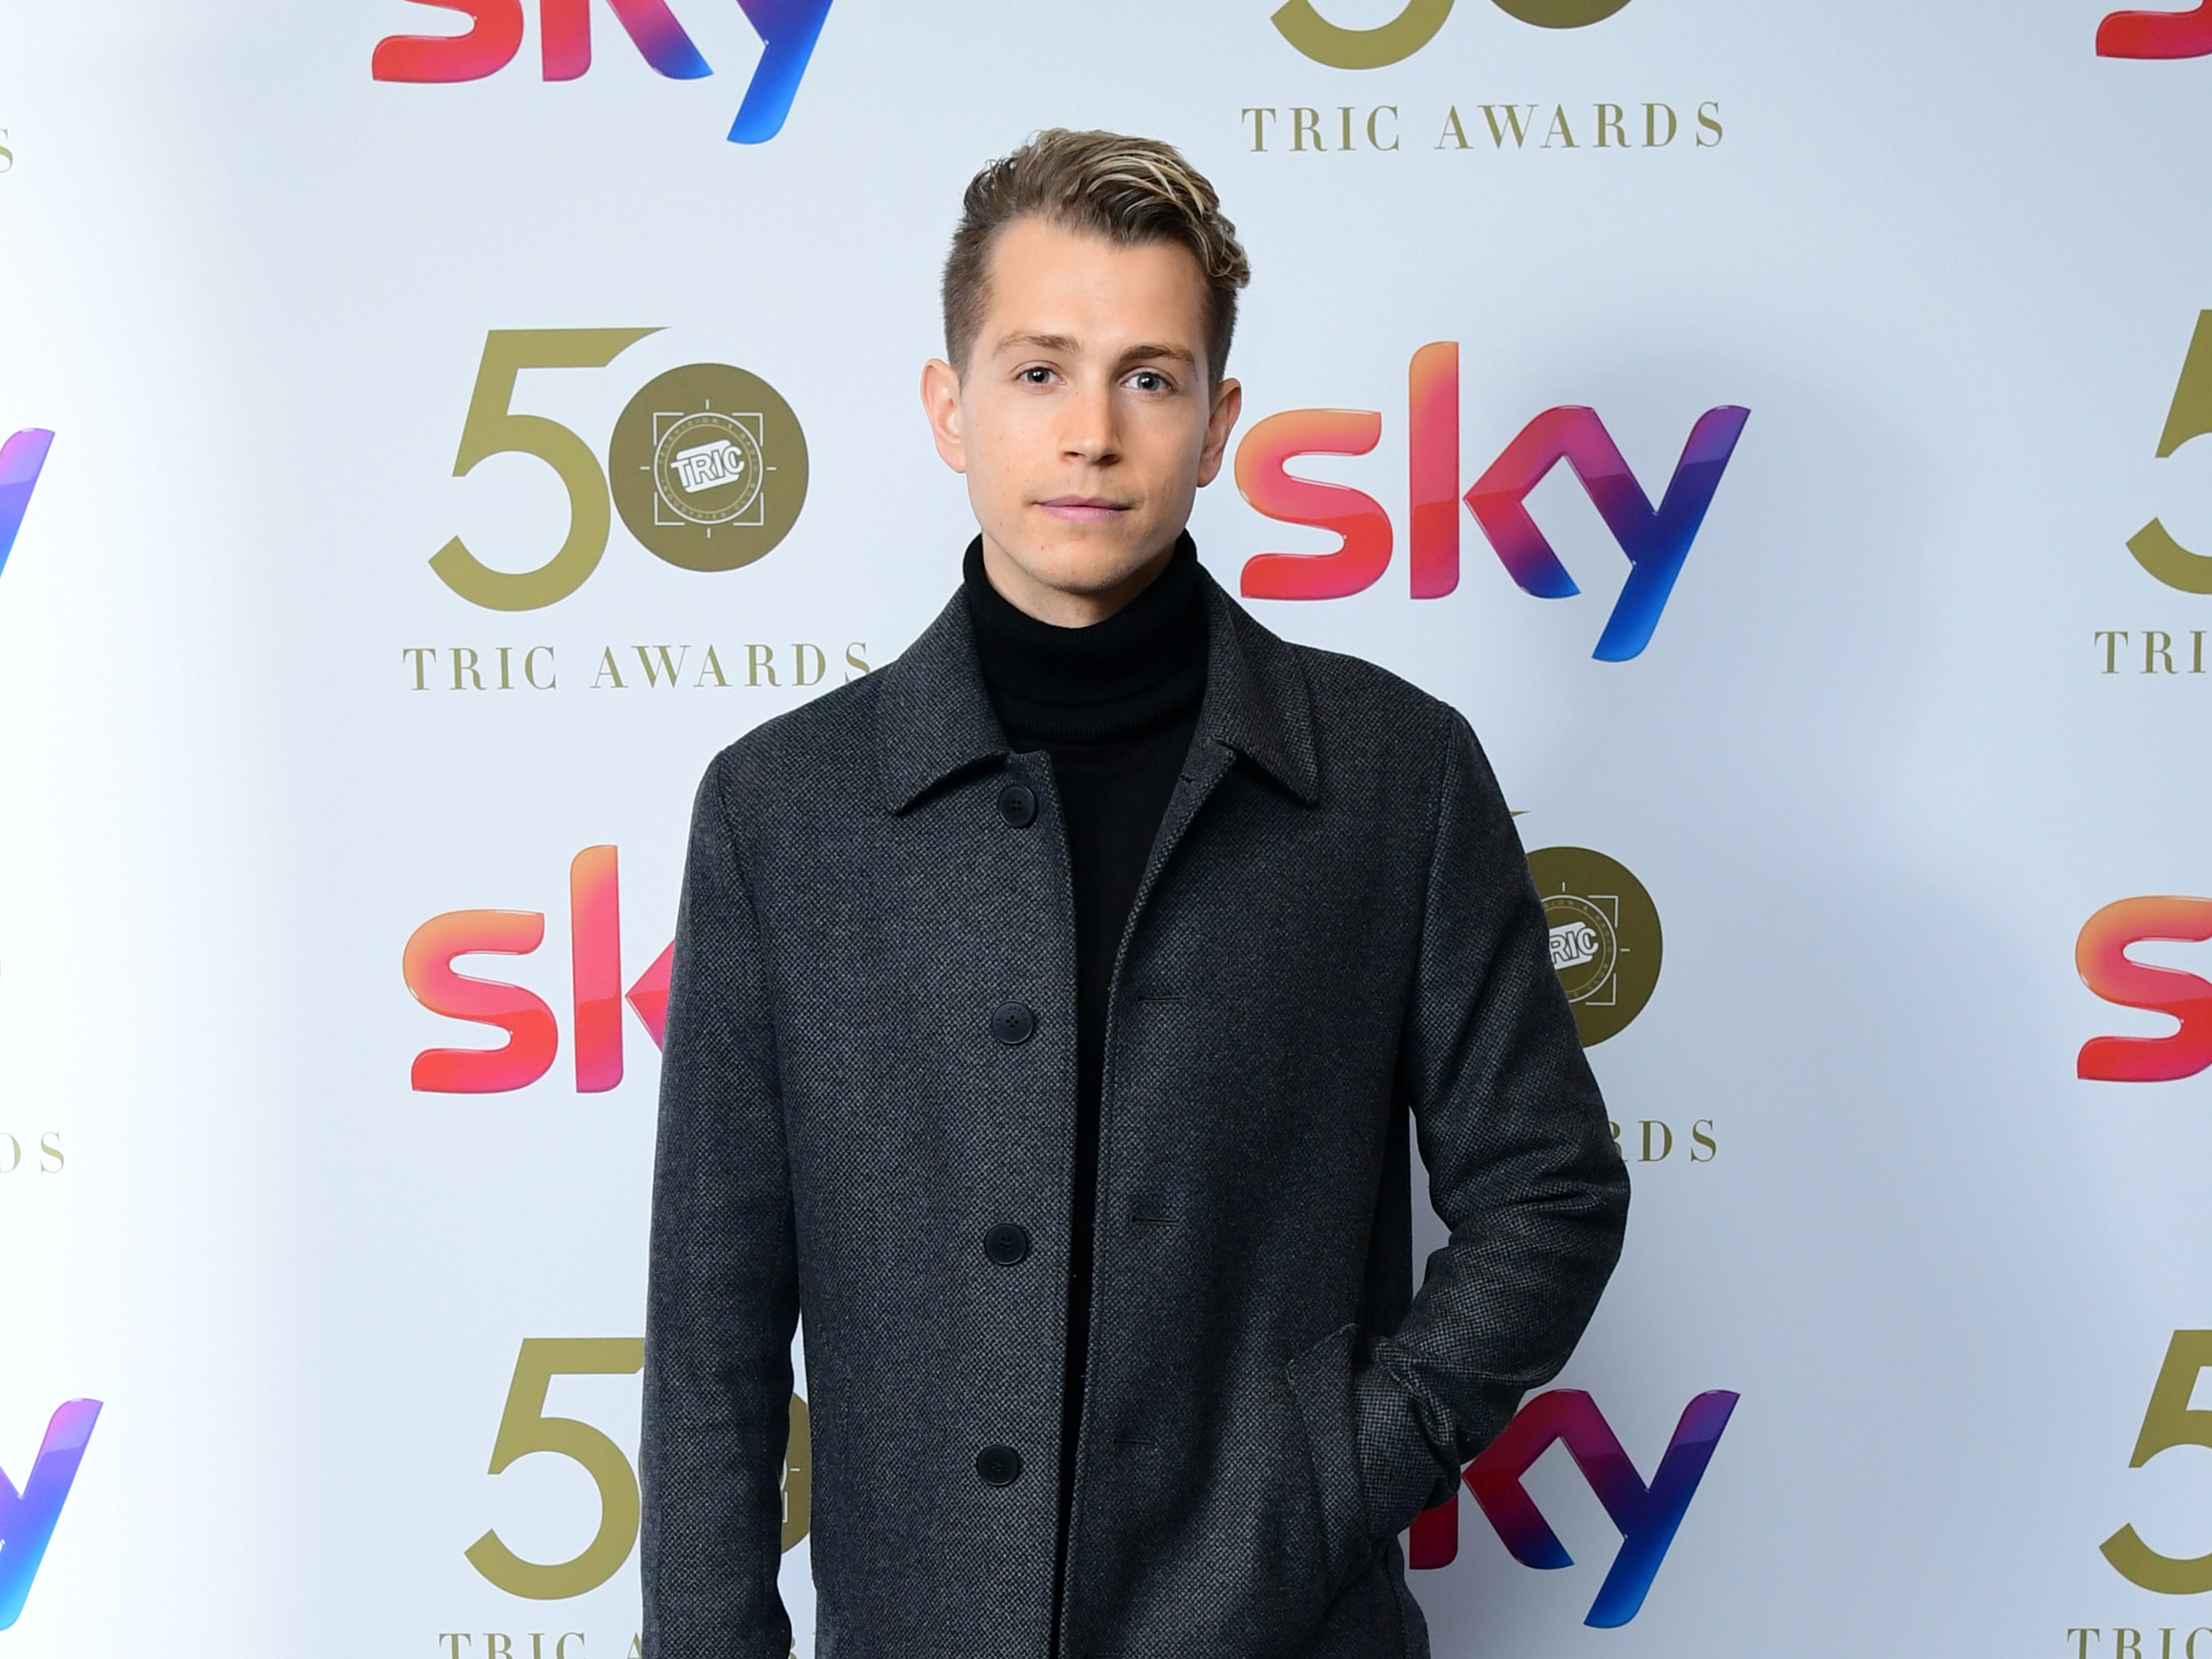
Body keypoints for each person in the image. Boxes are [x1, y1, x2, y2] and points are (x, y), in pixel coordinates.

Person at [640, 128, 1629, 1659]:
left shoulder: (1393, 774)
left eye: (1148, 377)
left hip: (1285, 1629)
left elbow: (1548, 1189)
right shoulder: (782, 812)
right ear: (946, 404)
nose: (1091, 432)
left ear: (1219, 420)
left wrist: (1334, 1472)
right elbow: (712, 1338)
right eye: (1038, 371)